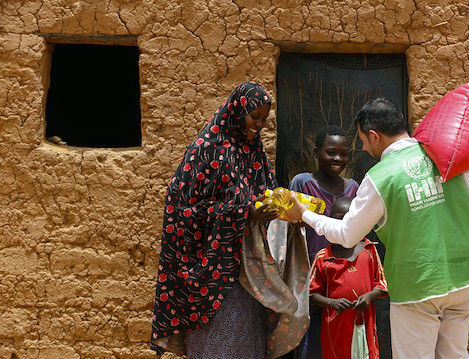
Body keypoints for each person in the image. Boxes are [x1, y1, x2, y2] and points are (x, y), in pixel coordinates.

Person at [284, 98, 469, 359]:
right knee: (454, 354)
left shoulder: (380, 177)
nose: (363, 148)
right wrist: (444, 199)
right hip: (464, 280)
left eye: (363, 141)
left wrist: (305, 214)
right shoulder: (444, 155)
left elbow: (346, 234)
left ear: (374, 136)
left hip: (418, 287)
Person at [150, 81, 282, 358]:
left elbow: (264, 195)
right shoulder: (206, 150)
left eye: (264, 119)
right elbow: (182, 210)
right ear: (237, 111)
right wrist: (243, 212)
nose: (259, 125)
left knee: (246, 345)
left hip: (248, 272)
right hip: (210, 276)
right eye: (254, 117)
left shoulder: (254, 153)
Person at [288, 125, 359, 359]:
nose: (338, 158)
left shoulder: (354, 189)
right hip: (309, 275)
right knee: (310, 339)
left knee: (340, 338)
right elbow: (289, 227)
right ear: (317, 152)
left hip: (342, 277)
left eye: (343, 153)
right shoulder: (302, 184)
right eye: (331, 152)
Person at [309, 196, 387, 359]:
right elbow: (310, 294)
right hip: (336, 325)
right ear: (329, 222)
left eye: (348, 218)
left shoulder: (369, 250)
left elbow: (381, 284)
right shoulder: (323, 257)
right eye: (338, 219)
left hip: (364, 321)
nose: (343, 224)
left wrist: (369, 296)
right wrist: (331, 303)